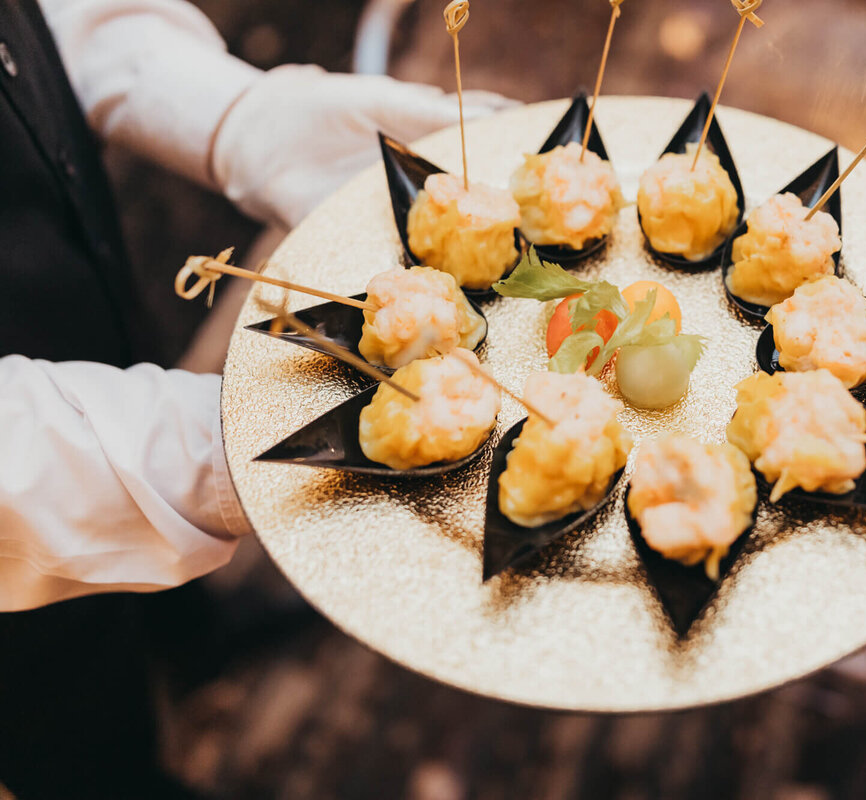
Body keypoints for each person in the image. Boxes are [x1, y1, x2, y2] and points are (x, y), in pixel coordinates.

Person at [0, 0, 513, 795]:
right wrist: (202, 456)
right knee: (70, 704)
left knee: (109, 337)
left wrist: (227, 112)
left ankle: (193, 632)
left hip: (60, 253)